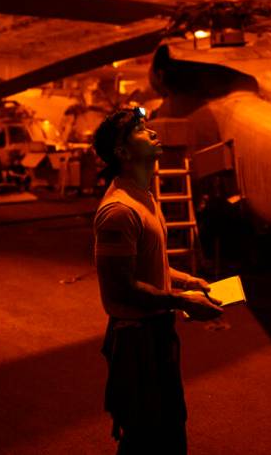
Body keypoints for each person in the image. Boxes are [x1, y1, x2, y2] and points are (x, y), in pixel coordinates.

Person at [92, 108, 223, 455]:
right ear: (122, 153)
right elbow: (122, 287)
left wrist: (186, 281)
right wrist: (181, 300)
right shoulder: (119, 211)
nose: (150, 132)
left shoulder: (144, 196)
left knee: (169, 425)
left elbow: (151, 267)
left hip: (157, 332)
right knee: (146, 436)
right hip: (135, 339)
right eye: (138, 129)